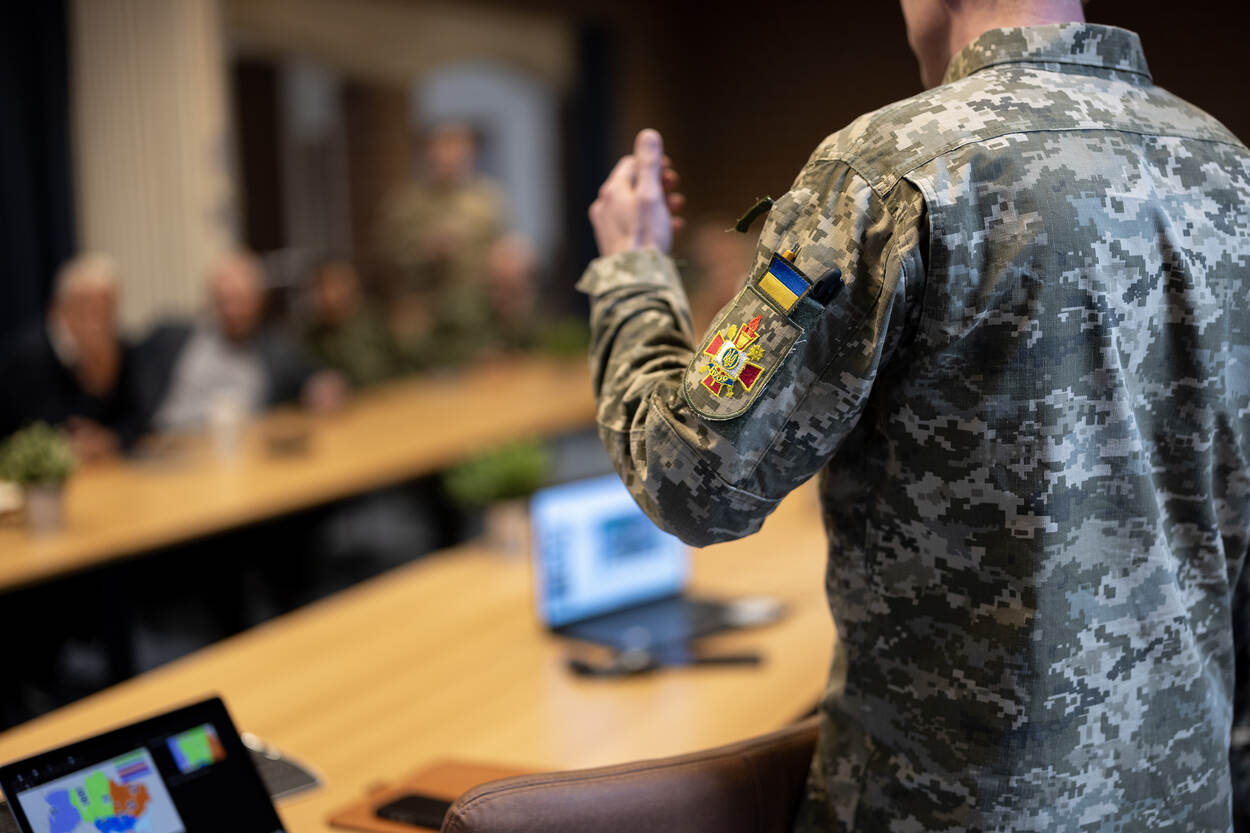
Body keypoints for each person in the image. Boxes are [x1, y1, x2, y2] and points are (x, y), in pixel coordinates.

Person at [580, 1, 1250, 830]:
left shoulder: (889, 169)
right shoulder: (1229, 170)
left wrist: (632, 273)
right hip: (1187, 800)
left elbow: (687, 476)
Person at [137, 250, 345, 433]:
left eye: (239, 300)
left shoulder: (276, 350)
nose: (231, 311)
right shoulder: (170, 338)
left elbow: (313, 378)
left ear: (259, 300)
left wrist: (324, 387)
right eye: (223, 300)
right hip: (169, 448)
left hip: (238, 454)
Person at [0, 253, 141, 459]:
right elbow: (33, 430)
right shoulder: (27, 355)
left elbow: (138, 418)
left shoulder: (119, 348)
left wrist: (111, 439)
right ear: (59, 307)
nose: (96, 320)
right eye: (85, 306)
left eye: (106, 307)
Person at [302, 257, 399, 388]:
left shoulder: (375, 322)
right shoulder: (311, 335)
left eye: (335, 284)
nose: (328, 295)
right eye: (321, 286)